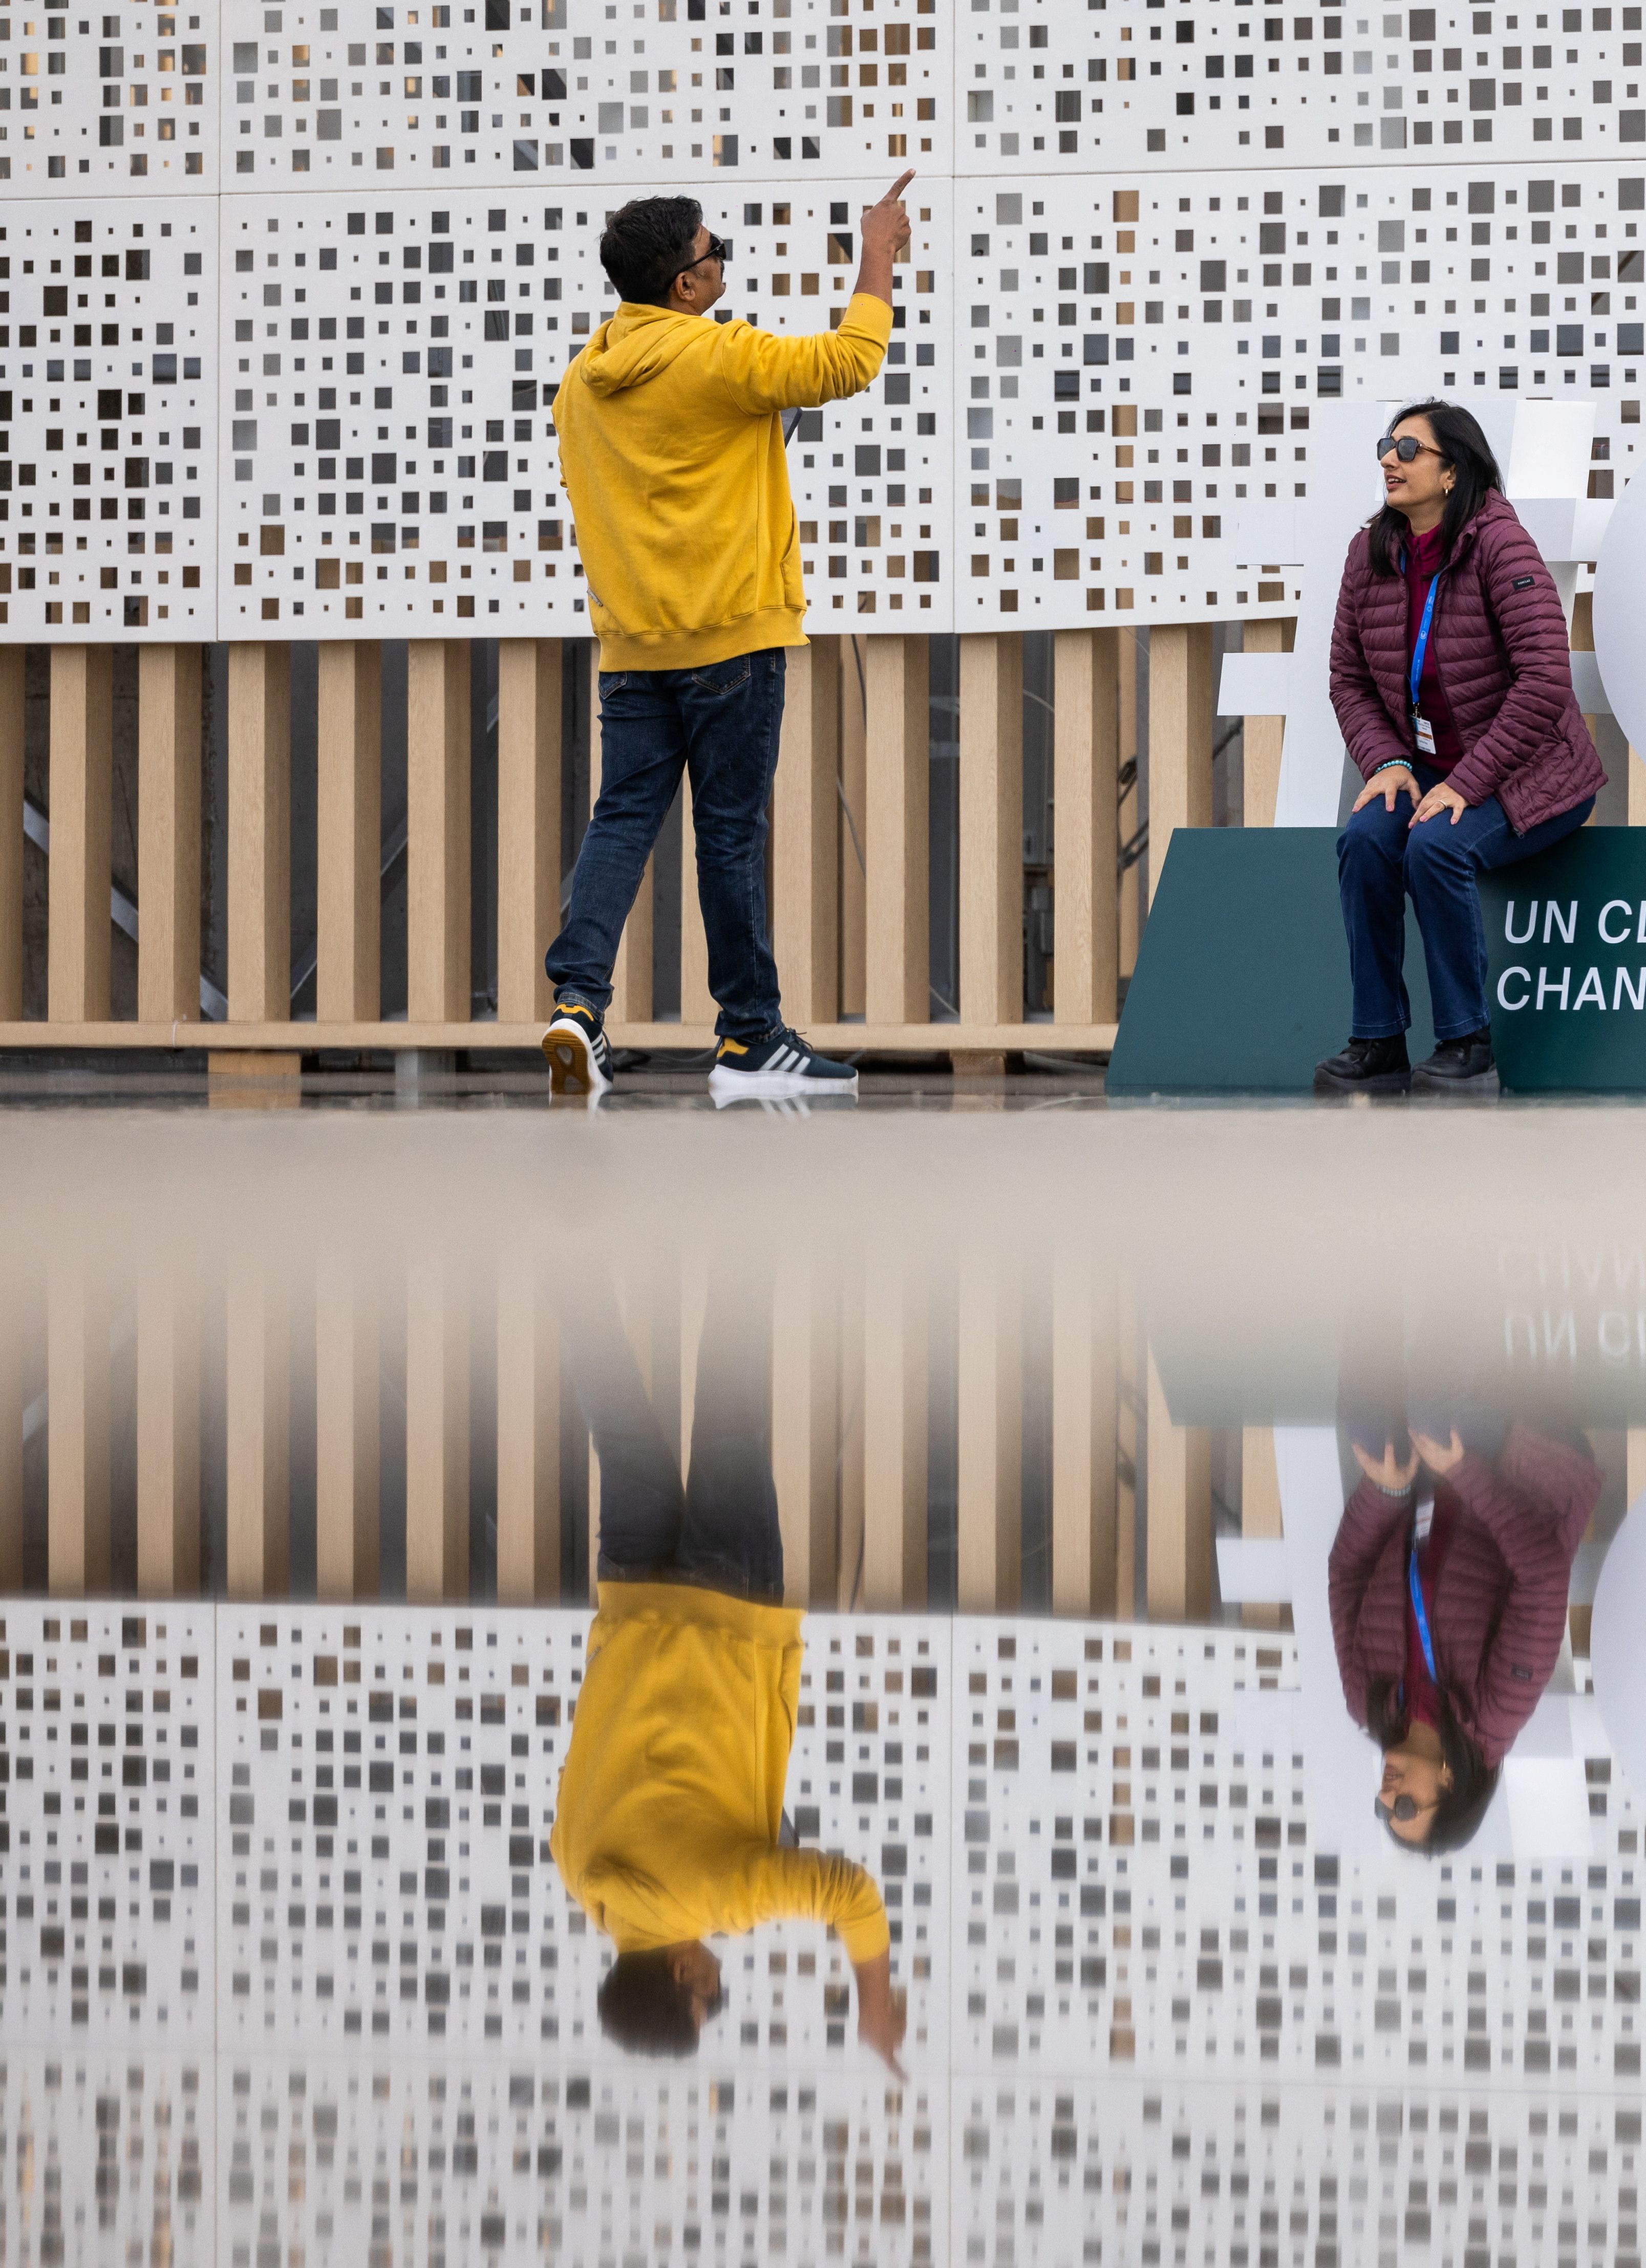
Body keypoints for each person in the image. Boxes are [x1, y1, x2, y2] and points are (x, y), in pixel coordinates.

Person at [536, 175, 918, 1104]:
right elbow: (848, 363)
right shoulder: (715, 357)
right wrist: (878, 250)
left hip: (635, 649)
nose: (723, 268)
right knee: (729, 836)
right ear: (685, 286)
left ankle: (578, 1003)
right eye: (718, 257)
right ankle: (749, 1038)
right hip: (731, 644)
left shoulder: (582, 386)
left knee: (620, 821)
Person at [549, 1275, 909, 2074]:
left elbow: (850, 1893)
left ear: (681, 1973)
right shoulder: (578, 1870)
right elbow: (584, 1764)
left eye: (707, 1990)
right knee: (618, 1420)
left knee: (730, 1413)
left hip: (727, 1610)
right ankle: (562, 1253)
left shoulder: (720, 1897)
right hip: (635, 1595)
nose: (717, 1974)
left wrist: (875, 1999)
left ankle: (746, 1210)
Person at [1313, 401, 1612, 1098]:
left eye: (1409, 449)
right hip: (1426, 767)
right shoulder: (1371, 552)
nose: (1389, 459)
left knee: (1435, 846)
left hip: (1532, 771)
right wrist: (1386, 761)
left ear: (1454, 472)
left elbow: (1543, 679)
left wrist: (1468, 783)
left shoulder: (1501, 544)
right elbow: (1348, 677)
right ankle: (1379, 1039)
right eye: (1387, 445)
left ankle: (1467, 1045)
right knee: (1363, 840)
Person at [1328, 1411, 1601, 1852]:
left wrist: (1385, 1490)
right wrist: (1465, 1473)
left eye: (1383, 1809)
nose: (1385, 1795)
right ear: (1450, 1782)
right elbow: (1542, 1575)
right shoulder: (1497, 1710)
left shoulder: (1366, 1700)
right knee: (1432, 1399)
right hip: (1521, 1475)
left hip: (1421, 1485)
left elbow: (1346, 1572)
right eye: (1404, 1807)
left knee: (1361, 1407)